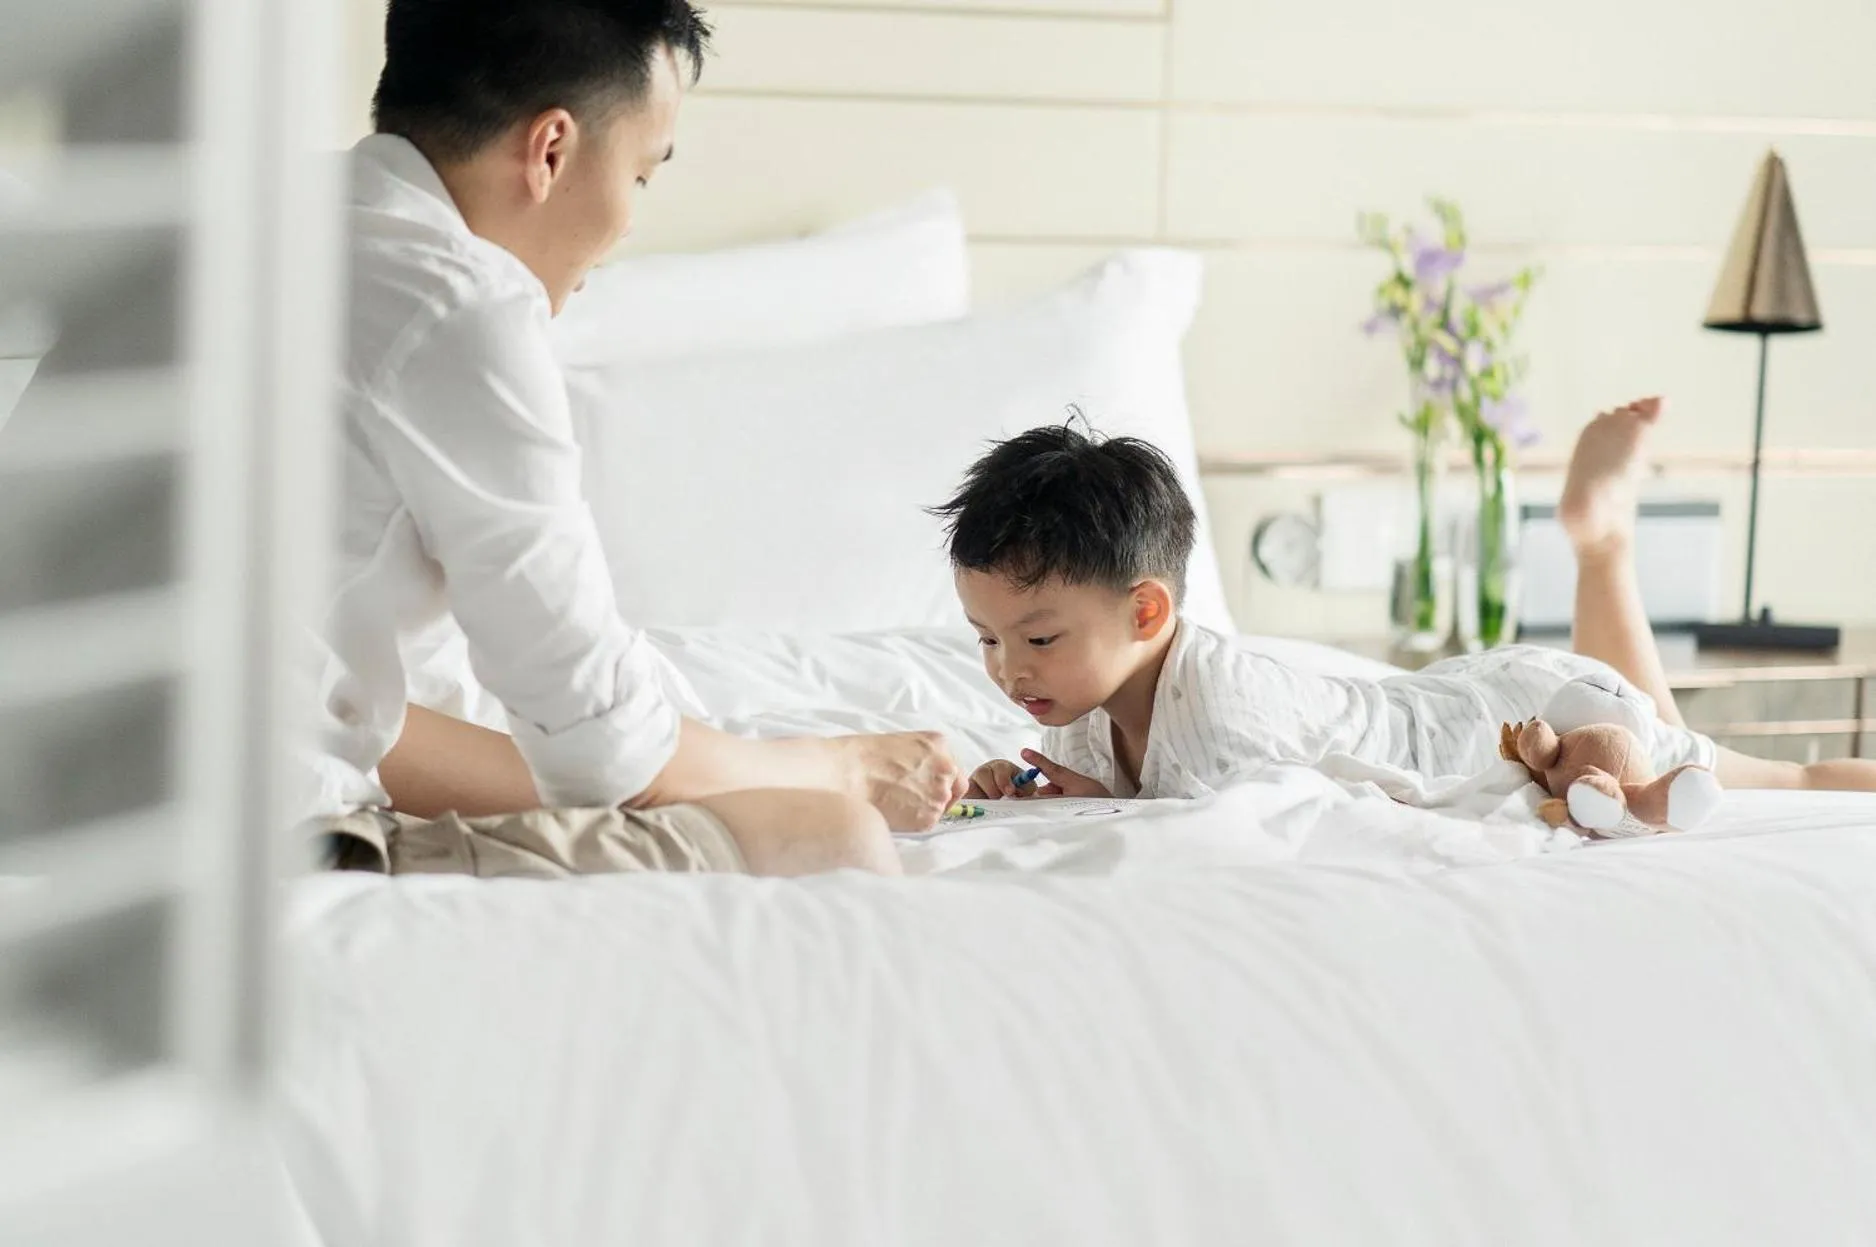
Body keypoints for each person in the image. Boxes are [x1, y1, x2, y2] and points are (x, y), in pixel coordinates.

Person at [306, 0, 964, 880]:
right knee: (833, 837)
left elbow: (351, 711)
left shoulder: (237, 228)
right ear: (551, 150)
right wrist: (838, 766)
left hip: (101, 810)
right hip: (272, 846)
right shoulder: (460, 310)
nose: (625, 227)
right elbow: (609, 758)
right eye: (643, 177)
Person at [937, 400, 1876, 803]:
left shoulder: (1222, 707)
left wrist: (1100, 806)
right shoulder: (1075, 706)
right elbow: (1122, 803)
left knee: (1777, 783)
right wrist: (1065, 795)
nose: (1011, 670)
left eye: (1039, 635)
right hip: (1468, 692)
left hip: (1515, 721)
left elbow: (1231, 829)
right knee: (1655, 714)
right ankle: (1600, 544)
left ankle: (1602, 541)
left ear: (1147, 612)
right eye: (985, 639)